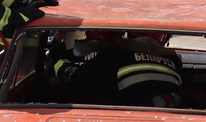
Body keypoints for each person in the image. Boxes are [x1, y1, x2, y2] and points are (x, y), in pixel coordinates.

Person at [51, 31, 185, 108]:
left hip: (137, 117)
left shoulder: (115, 57)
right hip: (176, 113)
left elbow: (75, 79)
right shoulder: (173, 62)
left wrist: (58, 58)